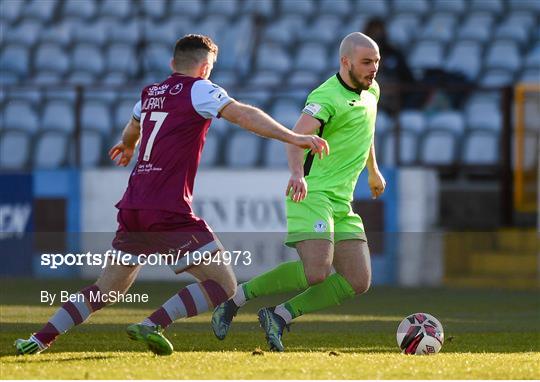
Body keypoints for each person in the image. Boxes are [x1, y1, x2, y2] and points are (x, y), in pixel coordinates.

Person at [14, 34, 328, 356]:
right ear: (205, 68)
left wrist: (128, 146)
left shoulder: (149, 95)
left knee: (105, 289)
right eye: (211, 68)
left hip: (133, 205)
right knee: (224, 286)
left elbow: (132, 128)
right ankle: (153, 324)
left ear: (171, 64)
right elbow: (245, 116)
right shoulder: (200, 90)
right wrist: (294, 136)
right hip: (167, 209)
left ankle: (39, 339)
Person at [211, 32, 386, 352]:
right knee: (317, 271)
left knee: (357, 280)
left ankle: (279, 315)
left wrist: (373, 170)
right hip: (312, 192)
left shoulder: (371, 89)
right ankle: (235, 299)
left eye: (376, 61)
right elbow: (296, 136)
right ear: (345, 62)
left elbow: (367, 129)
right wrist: (297, 175)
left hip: (341, 200)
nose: (373, 68)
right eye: (366, 62)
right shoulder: (326, 97)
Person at [363, 18, 415, 112]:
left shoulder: (393, 54)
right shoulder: (358, 56)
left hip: (393, 99)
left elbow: (407, 78)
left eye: (379, 34)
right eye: (373, 34)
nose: (377, 37)